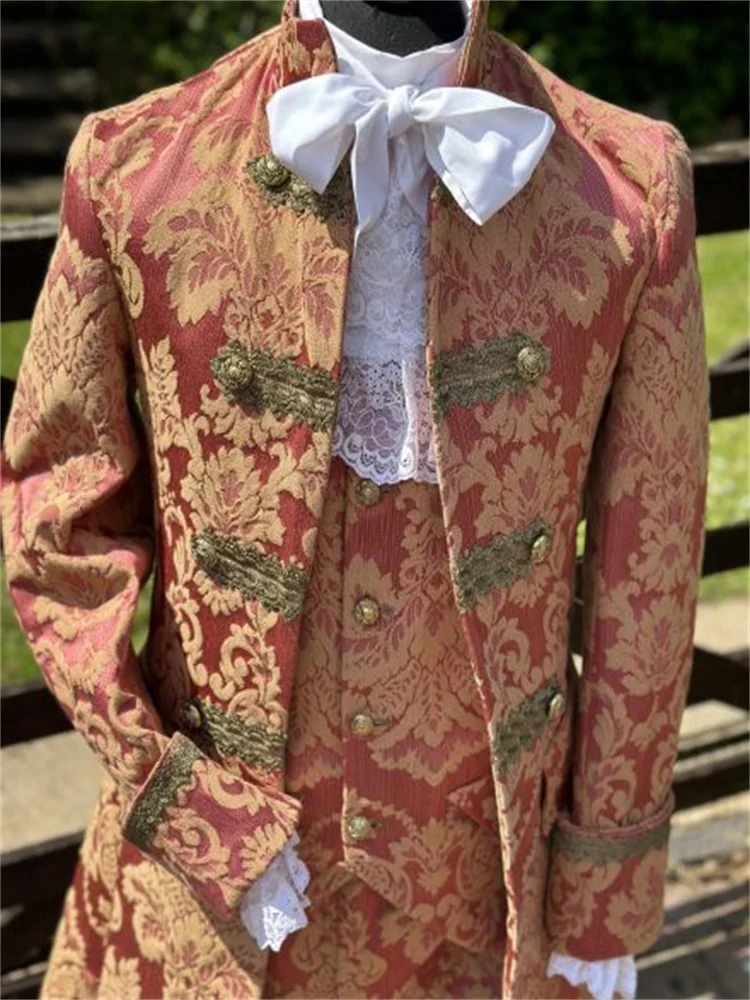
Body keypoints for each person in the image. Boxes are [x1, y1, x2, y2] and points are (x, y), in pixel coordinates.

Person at [0, 0, 710, 997]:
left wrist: (605, 881)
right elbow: (58, 529)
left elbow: (652, 560)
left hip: (491, 892)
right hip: (207, 901)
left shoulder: (629, 183)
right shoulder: (135, 165)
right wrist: (190, 808)